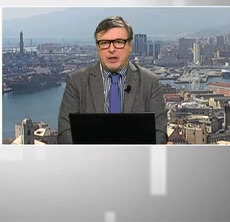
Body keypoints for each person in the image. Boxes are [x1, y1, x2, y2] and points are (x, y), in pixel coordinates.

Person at [57, 15, 168, 144]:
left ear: (130, 45)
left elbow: (160, 132)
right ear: (97, 47)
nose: (111, 49)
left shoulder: (150, 82)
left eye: (119, 42)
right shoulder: (77, 82)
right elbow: (65, 133)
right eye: (104, 43)